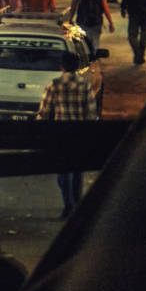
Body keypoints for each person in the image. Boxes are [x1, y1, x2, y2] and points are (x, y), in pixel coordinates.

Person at [36, 51, 98, 219]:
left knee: (63, 172)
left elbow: (43, 112)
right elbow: (91, 113)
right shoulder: (84, 84)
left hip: (61, 134)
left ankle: (68, 204)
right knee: (77, 171)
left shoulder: (54, 84)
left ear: (61, 66)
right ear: (77, 66)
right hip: (80, 133)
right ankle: (76, 205)